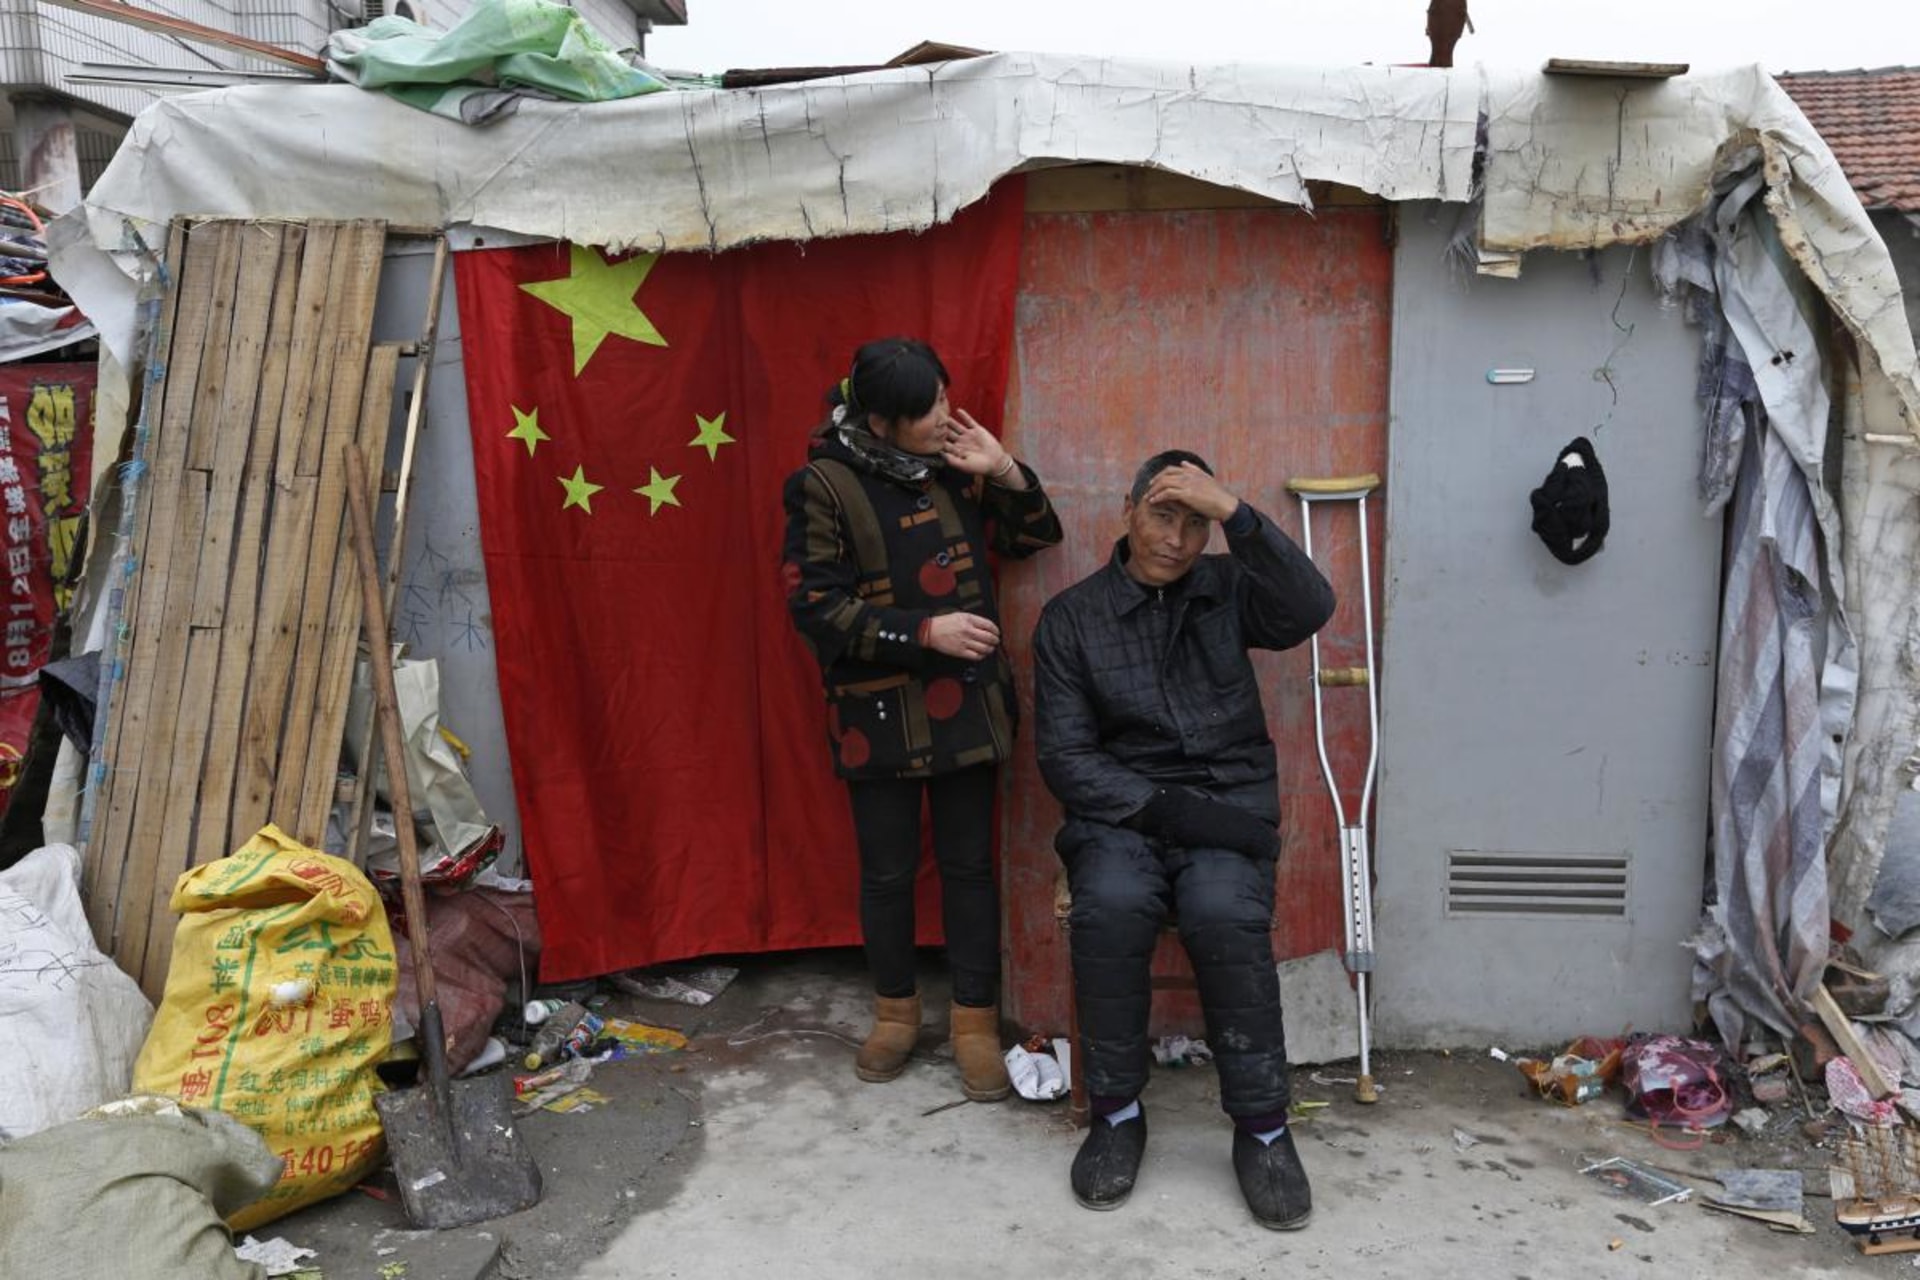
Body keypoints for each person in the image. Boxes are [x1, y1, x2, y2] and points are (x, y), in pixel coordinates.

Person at [1031, 449, 1336, 1227]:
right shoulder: (1072, 618)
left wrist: (1238, 515)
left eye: (1196, 524)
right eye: (1164, 516)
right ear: (1128, 512)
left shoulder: (1228, 587)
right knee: (1112, 905)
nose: (1177, 539)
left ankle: (1265, 1130)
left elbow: (1311, 607)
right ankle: (1116, 1117)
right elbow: (1067, 758)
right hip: (1122, 813)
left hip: (1225, 801)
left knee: (1222, 914)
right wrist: (1180, 814)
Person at [782, 337, 1063, 1102]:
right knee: (887, 871)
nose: (946, 417)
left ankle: (974, 1023)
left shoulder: (957, 468)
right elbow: (814, 606)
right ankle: (896, 1015)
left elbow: (1038, 537)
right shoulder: (822, 485)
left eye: (945, 397)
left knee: (972, 868)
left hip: (967, 708)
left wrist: (1003, 472)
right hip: (875, 716)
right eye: (928, 410)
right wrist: (923, 632)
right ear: (879, 421)